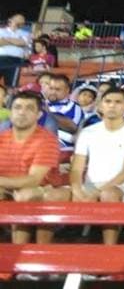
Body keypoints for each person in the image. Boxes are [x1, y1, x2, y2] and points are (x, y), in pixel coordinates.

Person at [44, 87, 124, 245]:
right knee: (51, 196)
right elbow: (77, 168)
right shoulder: (88, 132)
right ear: (100, 106)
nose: (112, 105)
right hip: (89, 186)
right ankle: (43, 255)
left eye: (118, 102)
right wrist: (77, 190)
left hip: (123, 187)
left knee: (108, 194)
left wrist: (97, 191)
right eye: (108, 101)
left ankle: (108, 252)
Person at [0, 91, 60, 243]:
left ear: (39, 115)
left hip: (43, 189)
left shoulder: (47, 140)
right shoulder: (1, 138)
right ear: (10, 112)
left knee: (24, 195)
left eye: (29, 108)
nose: (22, 112)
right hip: (7, 186)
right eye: (17, 107)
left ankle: (20, 252)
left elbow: (34, 180)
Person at [0, 13, 30, 88]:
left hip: (15, 61)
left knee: (11, 86)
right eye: (20, 18)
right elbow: (0, 42)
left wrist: (5, 39)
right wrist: (17, 42)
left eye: (23, 19)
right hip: (1, 58)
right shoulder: (1, 30)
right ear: (10, 20)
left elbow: (24, 43)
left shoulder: (26, 33)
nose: (22, 20)